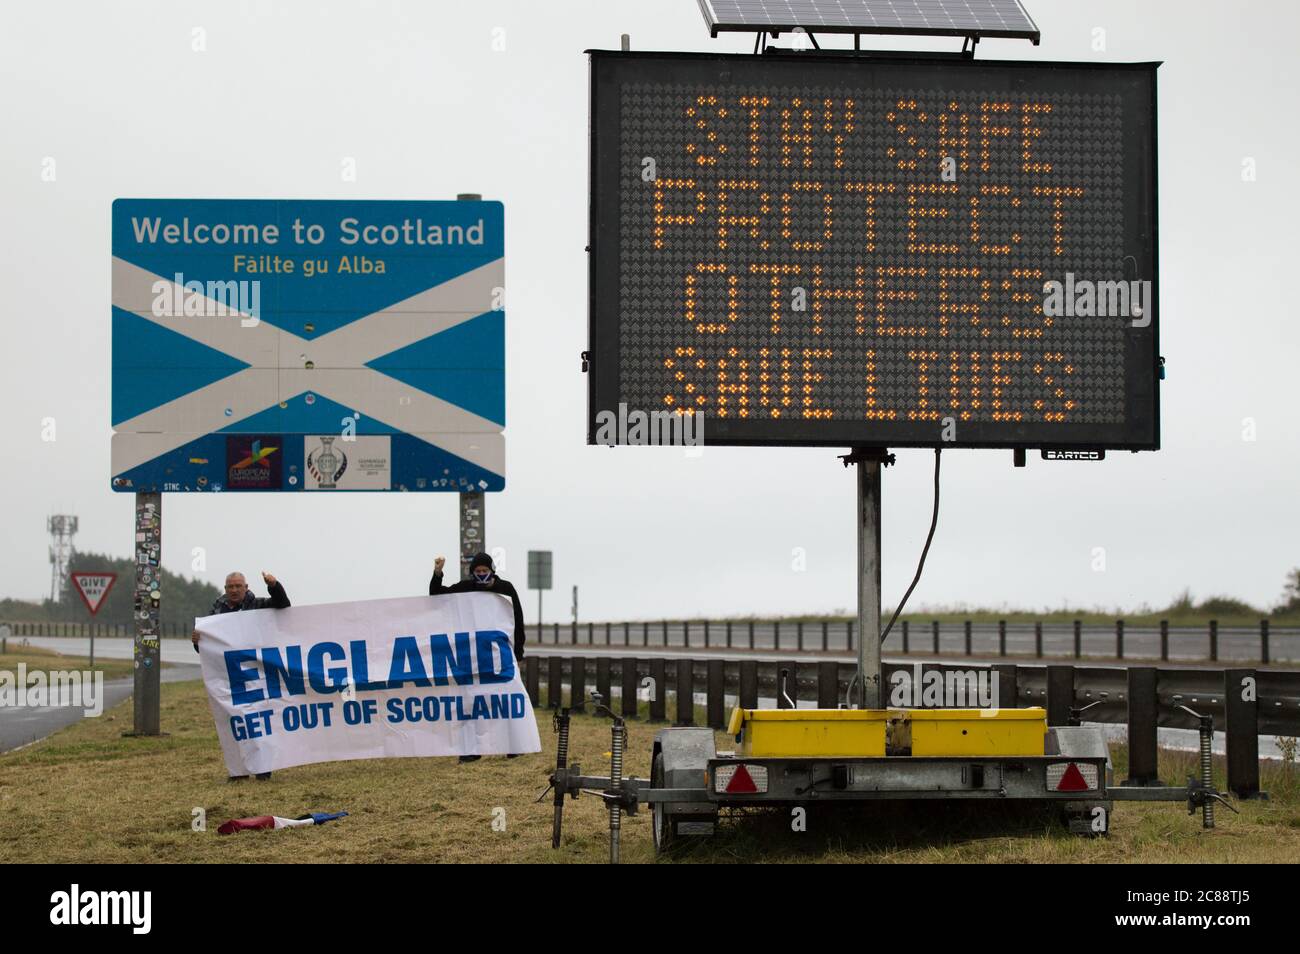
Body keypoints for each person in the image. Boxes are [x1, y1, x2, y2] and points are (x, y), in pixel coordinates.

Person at [192, 570, 291, 781]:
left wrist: (273, 585)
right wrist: (197, 641)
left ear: (246, 588)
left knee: (259, 723)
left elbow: (283, 605)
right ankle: (238, 772)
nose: (234, 590)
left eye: (238, 586)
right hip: (231, 678)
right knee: (234, 723)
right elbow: (208, 651)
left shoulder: (258, 606)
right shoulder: (216, 612)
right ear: (225, 589)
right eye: (230, 587)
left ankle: (263, 769)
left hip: (257, 676)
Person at [429, 552, 526, 762]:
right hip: (472, 657)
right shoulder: (465, 588)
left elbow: (517, 619)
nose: (481, 574)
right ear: (472, 572)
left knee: (504, 701)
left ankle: (512, 745)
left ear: (492, 570)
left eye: (484, 571)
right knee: (471, 703)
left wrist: (518, 653)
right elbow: (437, 596)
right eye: (477, 571)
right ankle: (472, 750)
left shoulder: (505, 589)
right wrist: (438, 572)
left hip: (499, 656)